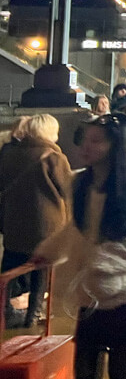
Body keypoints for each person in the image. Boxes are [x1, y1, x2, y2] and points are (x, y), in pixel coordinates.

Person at [32, 112, 126, 379]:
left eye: (97, 141)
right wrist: (48, 252)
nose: (86, 146)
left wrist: (102, 261)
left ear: (117, 146)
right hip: (93, 291)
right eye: (86, 139)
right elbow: (76, 228)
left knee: (121, 369)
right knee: (84, 367)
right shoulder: (79, 181)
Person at [0, 113, 72, 327]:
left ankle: (4, 311)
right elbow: (67, 189)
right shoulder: (54, 157)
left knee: (11, 265)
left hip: (13, 221)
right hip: (45, 225)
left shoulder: (10, 154)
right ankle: (33, 314)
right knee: (41, 268)